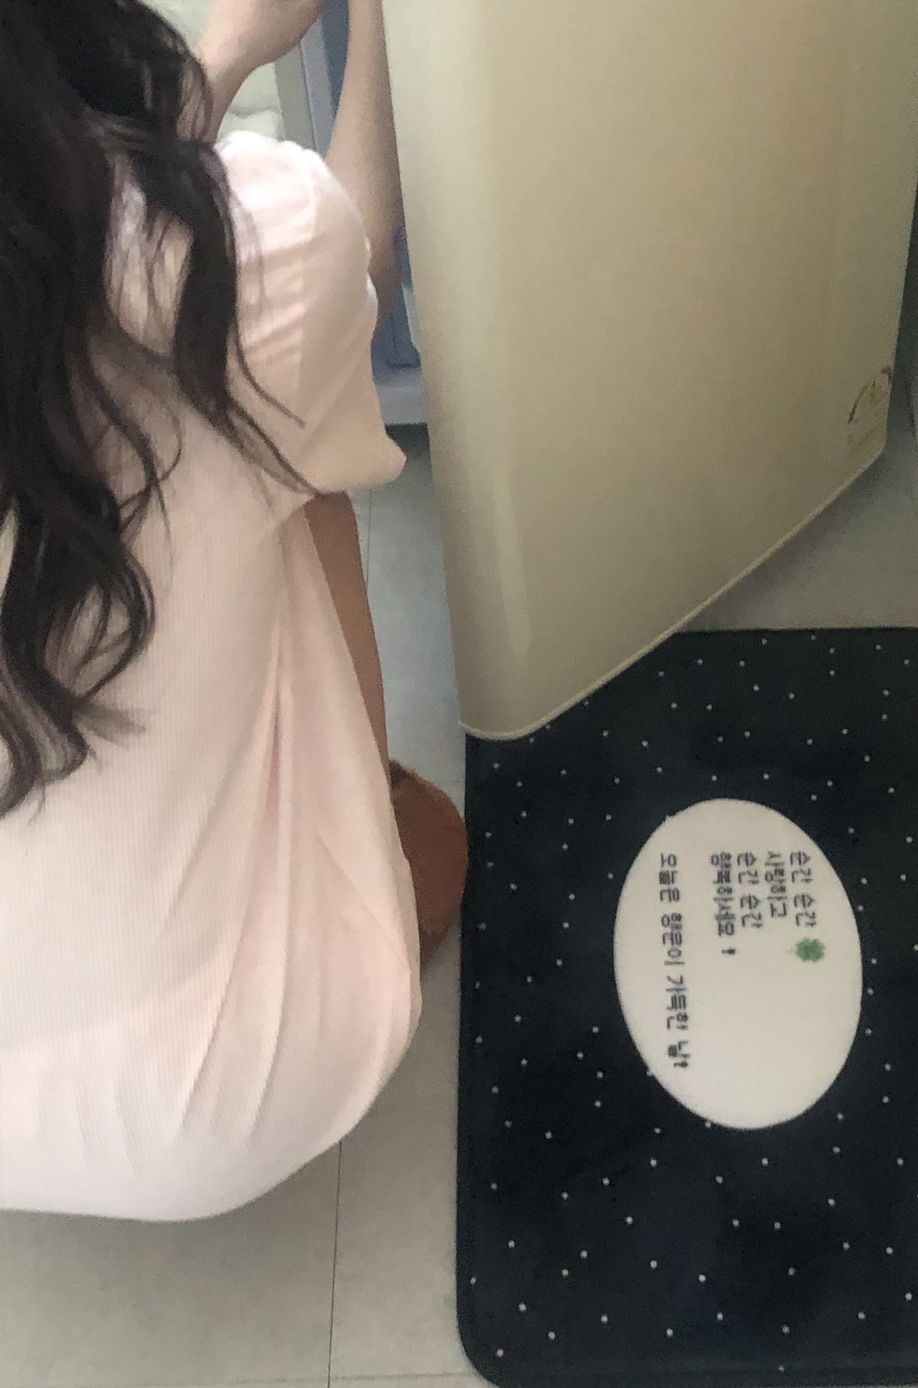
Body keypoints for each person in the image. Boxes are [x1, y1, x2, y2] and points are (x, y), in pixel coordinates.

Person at [0, 0, 468, 1221]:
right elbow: (343, 264)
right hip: (230, 1088)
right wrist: (374, 30)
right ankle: (370, 830)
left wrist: (232, 57)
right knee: (302, 475)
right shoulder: (236, 261)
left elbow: (67, 234)